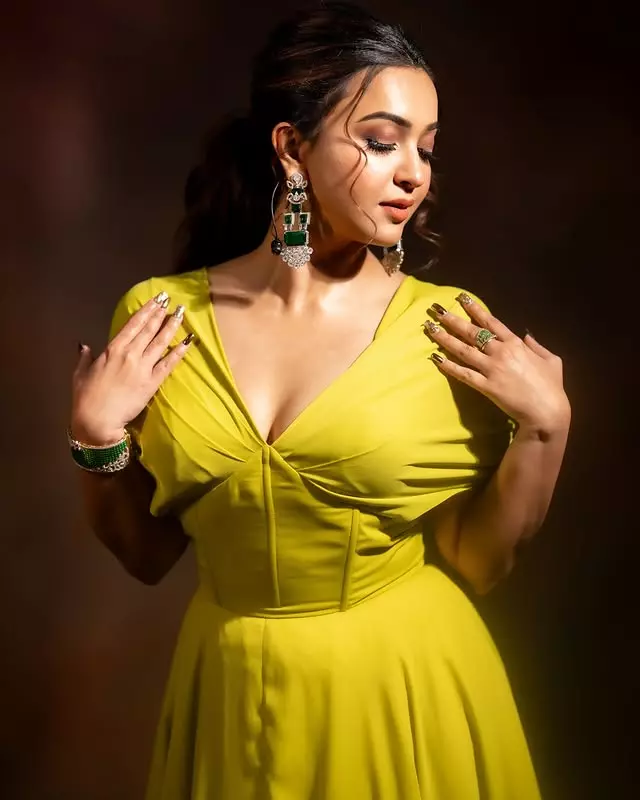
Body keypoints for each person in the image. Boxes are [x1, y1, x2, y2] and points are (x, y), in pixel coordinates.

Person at [69, 3, 570, 797]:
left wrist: (545, 429)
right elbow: (148, 556)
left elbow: (479, 562)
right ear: (292, 148)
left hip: (403, 691)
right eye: (382, 141)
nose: (414, 173)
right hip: (229, 690)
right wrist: (97, 438)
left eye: (426, 148)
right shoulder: (162, 315)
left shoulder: (444, 326)